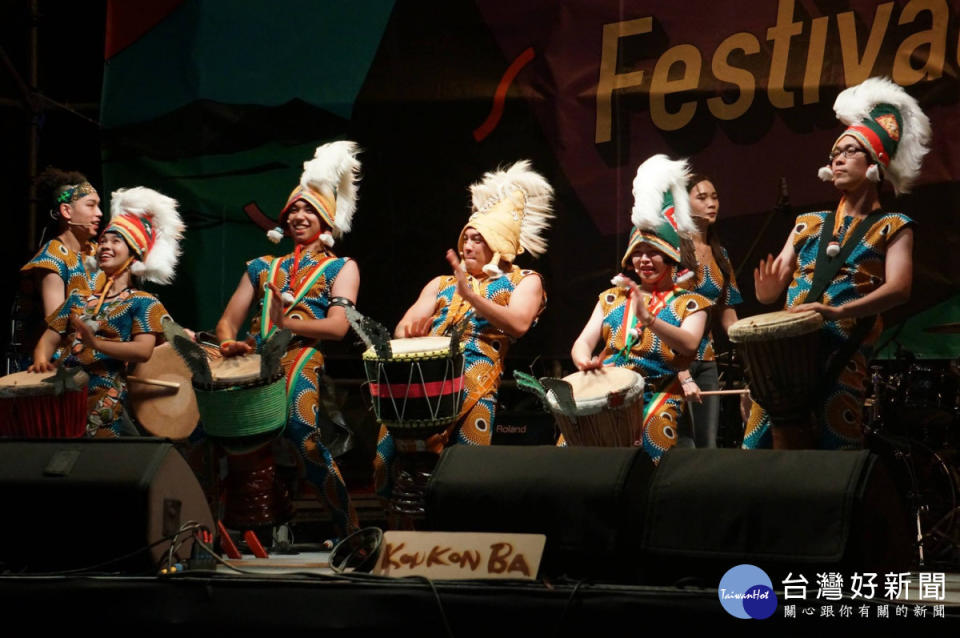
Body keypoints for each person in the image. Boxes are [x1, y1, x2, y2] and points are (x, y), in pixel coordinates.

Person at [744, 76, 929, 450]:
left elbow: (899, 289)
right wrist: (767, 295)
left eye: (849, 151)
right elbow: (774, 291)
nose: (837, 159)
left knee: (835, 455)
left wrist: (835, 311)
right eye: (834, 155)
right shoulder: (806, 224)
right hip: (788, 354)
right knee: (758, 452)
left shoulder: (894, 227)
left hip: (842, 353)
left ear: (875, 161)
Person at [375, 160, 554, 493]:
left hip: (476, 377)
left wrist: (472, 296)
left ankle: (462, 541)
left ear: (498, 244)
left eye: (477, 239)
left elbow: (518, 325)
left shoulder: (525, 281)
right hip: (422, 377)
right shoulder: (442, 282)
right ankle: (400, 540)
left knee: (466, 474)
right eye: (465, 238)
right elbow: (401, 328)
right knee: (385, 465)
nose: (466, 245)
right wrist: (412, 333)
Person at [215, 141, 361, 536]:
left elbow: (338, 328)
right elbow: (228, 321)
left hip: (301, 359)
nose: (298, 215)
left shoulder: (341, 268)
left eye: (308, 209)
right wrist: (229, 341)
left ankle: (350, 529)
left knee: (303, 434)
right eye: (292, 209)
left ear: (326, 220)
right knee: (232, 439)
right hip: (255, 362)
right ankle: (252, 526)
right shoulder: (263, 266)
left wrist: (290, 325)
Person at [571, 155, 711, 463]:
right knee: (571, 452)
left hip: (658, 395)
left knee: (655, 449)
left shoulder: (691, 303)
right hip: (607, 391)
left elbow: (689, 344)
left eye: (653, 253)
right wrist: (584, 362)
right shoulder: (612, 298)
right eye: (638, 254)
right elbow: (583, 342)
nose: (644, 260)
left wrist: (650, 320)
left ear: (670, 258)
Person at [30, 187, 184, 436]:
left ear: (134, 255)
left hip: (104, 398)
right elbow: (48, 339)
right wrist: (41, 361)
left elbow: (143, 351)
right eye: (102, 241)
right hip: (64, 396)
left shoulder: (143, 302)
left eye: (115, 241)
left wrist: (96, 343)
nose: (104, 246)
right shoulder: (78, 299)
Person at [676, 175, 743, 448]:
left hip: (706, 360)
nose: (711, 203)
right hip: (672, 360)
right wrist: (681, 373)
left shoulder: (721, 256)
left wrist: (762, 341)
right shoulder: (672, 251)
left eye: (714, 196)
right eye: (701, 197)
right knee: (682, 445)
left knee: (707, 445)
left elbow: (729, 321)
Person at [14, 168, 106, 366]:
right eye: (91, 206)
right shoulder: (51, 259)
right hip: (59, 362)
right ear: (66, 211)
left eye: (98, 206)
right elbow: (57, 325)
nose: (99, 213)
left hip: (95, 350)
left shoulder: (96, 251)